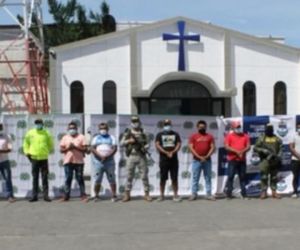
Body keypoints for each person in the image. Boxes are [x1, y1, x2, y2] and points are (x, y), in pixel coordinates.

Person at [121, 116, 152, 202]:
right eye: (133, 121)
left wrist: (145, 147)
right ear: (131, 122)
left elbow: (148, 143)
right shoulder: (128, 132)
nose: (135, 123)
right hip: (131, 156)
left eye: (136, 121)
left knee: (144, 176)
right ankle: (127, 194)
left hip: (141, 156)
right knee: (129, 176)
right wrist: (129, 141)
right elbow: (121, 143)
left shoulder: (143, 131)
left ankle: (147, 194)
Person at [23, 119, 54, 202]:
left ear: (42, 124)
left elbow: (51, 144)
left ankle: (46, 196)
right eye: (36, 123)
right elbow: (25, 143)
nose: (38, 125)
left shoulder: (47, 133)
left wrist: (47, 150)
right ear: (35, 124)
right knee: (35, 177)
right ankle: (34, 196)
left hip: (44, 158)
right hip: (34, 158)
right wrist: (26, 152)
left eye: (39, 123)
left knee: (45, 177)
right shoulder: (30, 133)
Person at [59, 121, 88, 202]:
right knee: (68, 178)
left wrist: (75, 147)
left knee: (80, 178)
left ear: (76, 128)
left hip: (79, 162)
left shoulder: (81, 137)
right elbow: (61, 150)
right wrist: (68, 148)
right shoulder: (65, 137)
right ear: (68, 129)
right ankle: (66, 196)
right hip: (68, 161)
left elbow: (85, 149)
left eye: (73, 128)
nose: (72, 129)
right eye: (70, 128)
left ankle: (83, 195)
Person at [188, 120, 216, 201]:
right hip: (196, 160)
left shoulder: (210, 136)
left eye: (203, 127)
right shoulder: (193, 136)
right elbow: (191, 148)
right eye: (200, 127)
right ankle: (194, 194)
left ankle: (209, 194)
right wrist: (199, 157)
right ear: (197, 127)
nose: (202, 128)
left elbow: (212, 147)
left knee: (208, 177)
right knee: (195, 177)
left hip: (207, 160)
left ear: (206, 127)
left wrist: (206, 156)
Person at [155, 119, 182, 202]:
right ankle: (161, 195)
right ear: (163, 125)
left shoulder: (175, 134)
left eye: (169, 124)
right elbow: (157, 145)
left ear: (171, 124)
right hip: (164, 160)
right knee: (163, 178)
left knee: (174, 178)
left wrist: (173, 152)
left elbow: (178, 144)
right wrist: (166, 152)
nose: (167, 125)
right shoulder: (159, 134)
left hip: (173, 159)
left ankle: (175, 195)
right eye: (166, 124)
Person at [254, 123, 282, 199]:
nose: (269, 130)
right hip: (264, 160)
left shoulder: (277, 138)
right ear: (266, 129)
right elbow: (255, 148)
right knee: (264, 176)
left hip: (274, 160)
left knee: (274, 177)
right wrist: (263, 150)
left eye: (271, 128)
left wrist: (279, 156)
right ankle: (264, 192)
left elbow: (281, 147)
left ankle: (274, 191)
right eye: (268, 128)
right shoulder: (262, 138)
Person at [90, 122, 118, 202]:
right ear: (99, 129)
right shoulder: (96, 138)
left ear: (108, 129)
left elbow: (115, 148)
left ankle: (114, 195)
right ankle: (96, 196)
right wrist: (100, 156)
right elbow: (92, 148)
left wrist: (107, 156)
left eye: (105, 128)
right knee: (97, 179)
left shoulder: (112, 137)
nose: (103, 130)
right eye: (101, 128)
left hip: (109, 162)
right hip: (98, 162)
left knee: (112, 178)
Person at [224, 121, 251, 199]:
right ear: (233, 128)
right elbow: (226, 147)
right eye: (237, 127)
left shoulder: (245, 136)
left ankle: (244, 194)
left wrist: (242, 152)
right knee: (230, 176)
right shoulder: (229, 136)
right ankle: (229, 194)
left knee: (242, 177)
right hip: (232, 160)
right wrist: (237, 152)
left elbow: (248, 146)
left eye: (239, 127)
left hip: (242, 160)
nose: (238, 128)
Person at [0, 123, 16, 203]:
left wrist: (1, 151)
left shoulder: (7, 136)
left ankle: (10, 196)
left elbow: (10, 149)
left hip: (4, 161)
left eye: (0, 126)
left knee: (7, 178)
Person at [289, 122, 300, 198]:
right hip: (295, 159)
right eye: (298, 127)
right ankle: (295, 191)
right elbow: (291, 147)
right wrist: (298, 156)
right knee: (295, 176)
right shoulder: (293, 135)